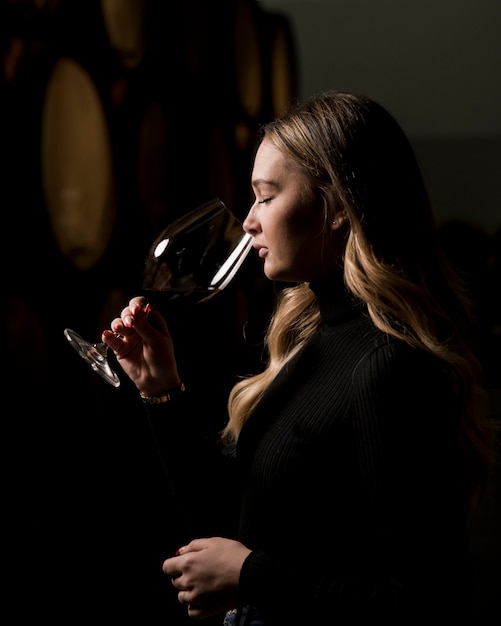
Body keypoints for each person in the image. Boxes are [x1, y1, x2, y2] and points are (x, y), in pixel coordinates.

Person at [102, 91, 495, 625]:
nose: (247, 222)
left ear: (334, 207)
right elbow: (236, 526)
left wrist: (251, 577)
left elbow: (431, 602)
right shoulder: (312, 337)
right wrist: (161, 390)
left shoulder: (388, 366)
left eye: (266, 197)